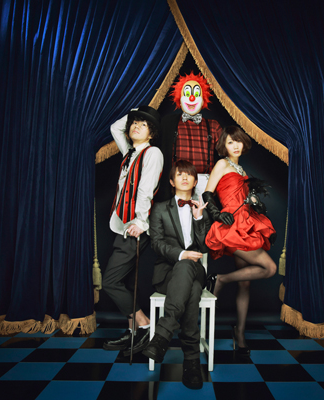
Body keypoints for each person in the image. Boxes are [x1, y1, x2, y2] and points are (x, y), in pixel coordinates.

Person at [202, 126, 277, 355]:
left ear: (244, 143)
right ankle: (221, 279)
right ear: (223, 146)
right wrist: (216, 214)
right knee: (270, 268)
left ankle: (240, 333)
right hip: (231, 225)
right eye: (230, 142)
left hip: (247, 223)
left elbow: (241, 197)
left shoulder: (241, 169)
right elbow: (207, 193)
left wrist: (255, 204)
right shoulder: (222, 164)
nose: (235, 146)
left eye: (238, 141)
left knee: (245, 283)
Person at [142, 160, 210, 390]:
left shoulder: (202, 210)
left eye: (189, 174)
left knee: (188, 269)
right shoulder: (160, 209)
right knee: (192, 291)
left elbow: (205, 246)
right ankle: (192, 362)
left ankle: (162, 335)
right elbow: (156, 243)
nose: (184, 178)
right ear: (171, 181)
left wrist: (199, 218)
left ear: (195, 180)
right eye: (179, 174)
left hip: (195, 271)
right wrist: (181, 254)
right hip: (167, 275)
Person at [102, 106, 164, 356]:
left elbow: (146, 189)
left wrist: (140, 221)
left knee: (110, 282)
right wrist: (136, 113)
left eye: (143, 124)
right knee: (126, 282)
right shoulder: (129, 152)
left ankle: (145, 325)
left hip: (135, 227)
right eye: (135, 123)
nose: (136, 126)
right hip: (121, 226)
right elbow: (115, 128)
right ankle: (132, 333)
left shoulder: (152, 153)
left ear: (152, 133)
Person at [156, 72, 222, 202]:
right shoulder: (168, 123)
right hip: (177, 183)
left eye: (196, 94)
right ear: (179, 98)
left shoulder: (213, 125)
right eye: (187, 94)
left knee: (204, 215)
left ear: (203, 100)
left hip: (205, 185)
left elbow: (227, 155)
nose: (192, 98)